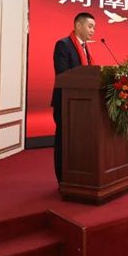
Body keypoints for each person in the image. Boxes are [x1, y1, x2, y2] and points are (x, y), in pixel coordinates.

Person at [51, 12, 96, 183]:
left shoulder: (85, 48)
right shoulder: (63, 45)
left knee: (79, 141)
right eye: (90, 26)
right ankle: (63, 179)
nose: (93, 31)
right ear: (78, 25)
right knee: (64, 141)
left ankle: (78, 175)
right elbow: (62, 74)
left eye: (94, 27)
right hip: (65, 102)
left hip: (83, 104)